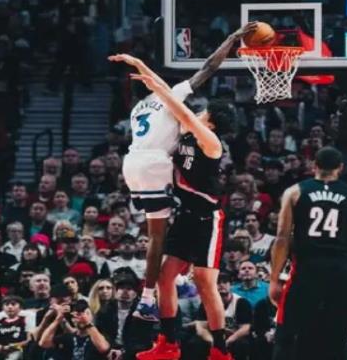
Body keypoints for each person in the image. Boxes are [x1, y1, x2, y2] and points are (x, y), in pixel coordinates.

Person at [108, 22, 257, 322]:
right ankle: (147, 299)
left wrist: (138, 63)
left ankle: (176, 271)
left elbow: (153, 82)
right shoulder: (171, 95)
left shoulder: (138, 109)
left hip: (131, 163)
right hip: (155, 164)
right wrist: (230, 40)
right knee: (157, 237)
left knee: (161, 223)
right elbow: (208, 68)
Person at [116, 56, 237, 360]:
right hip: (186, 216)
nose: (199, 111)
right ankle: (168, 343)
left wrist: (155, 84)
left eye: (204, 111)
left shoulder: (210, 141)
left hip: (208, 219)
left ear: (211, 120)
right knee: (164, 277)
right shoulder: (186, 131)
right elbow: (172, 106)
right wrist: (142, 68)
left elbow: (178, 106)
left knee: (205, 284)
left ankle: (220, 351)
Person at [270, 146, 347, 360]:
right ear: (340, 168)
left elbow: (282, 238)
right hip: (341, 271)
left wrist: (274, 279)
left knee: (288, 334)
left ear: (314, 165)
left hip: (306, 269)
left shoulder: (295, 192)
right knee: (339, 339)